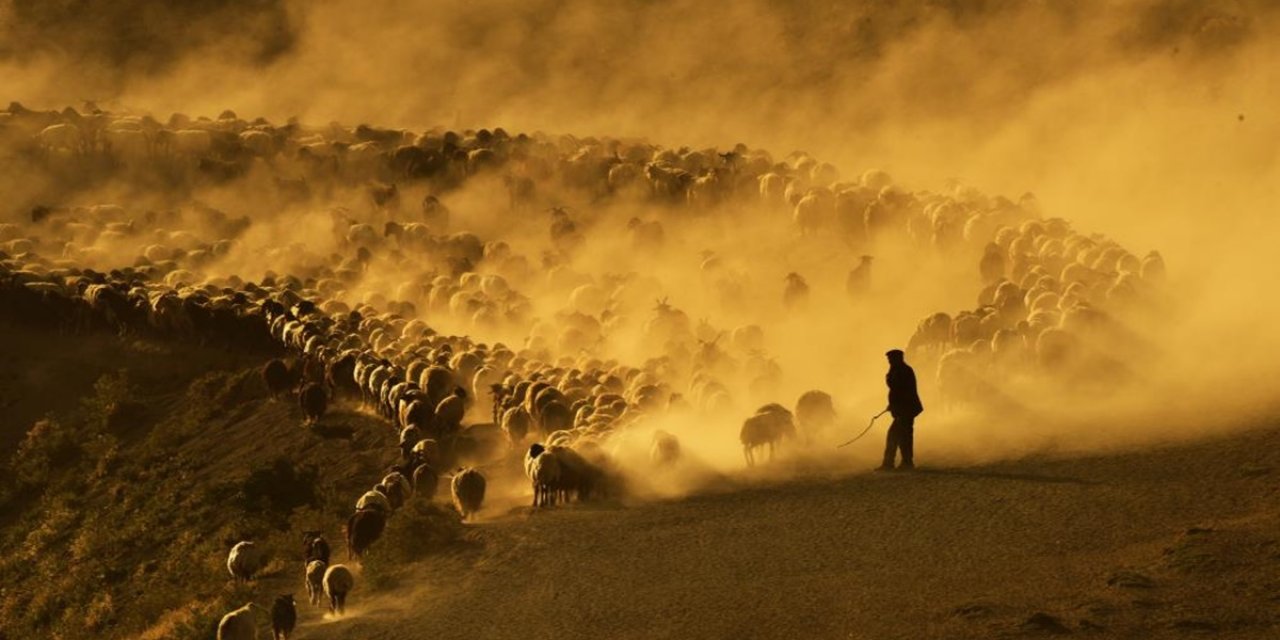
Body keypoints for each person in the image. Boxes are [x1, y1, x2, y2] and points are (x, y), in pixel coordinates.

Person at [878, 349, 923, 471]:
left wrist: (895, 406)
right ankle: (898, 462)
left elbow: (900, 391)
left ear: (897, 359)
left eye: (890, 359)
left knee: (899, 435)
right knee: (901, 435)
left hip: (905, 409)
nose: (889, 361)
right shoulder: (899, 370)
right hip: (903, 409)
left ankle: (899, 463)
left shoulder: (902, 371)